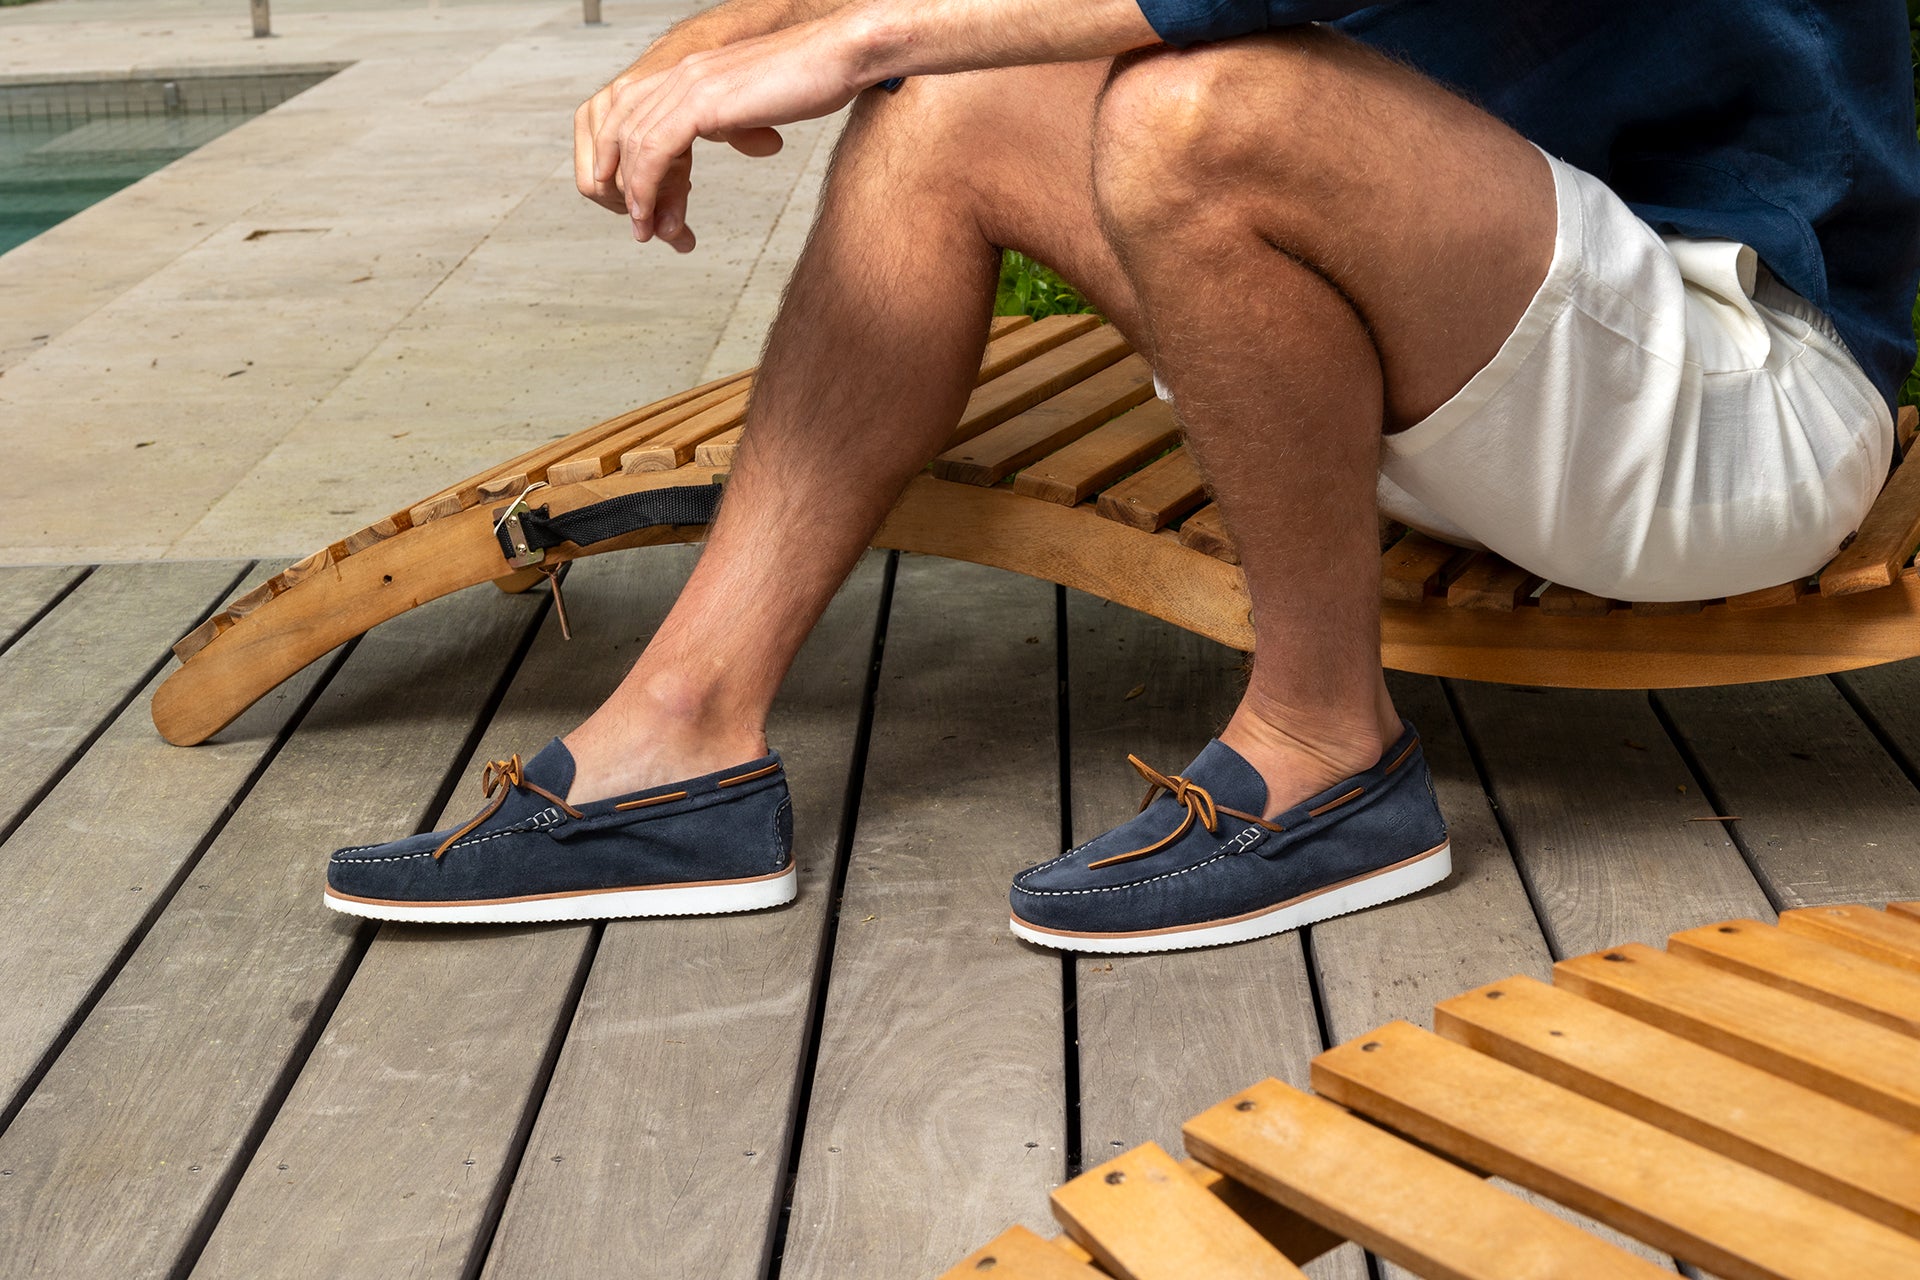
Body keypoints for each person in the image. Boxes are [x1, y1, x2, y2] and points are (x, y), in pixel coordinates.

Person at [322, 1, 1920, 951]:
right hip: (1494, 370)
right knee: (950, 110)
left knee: (1198, 116)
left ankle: (1327, 750)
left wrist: (846, 35)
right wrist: (752, 26)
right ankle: (681, 744)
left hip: (1732, 399)